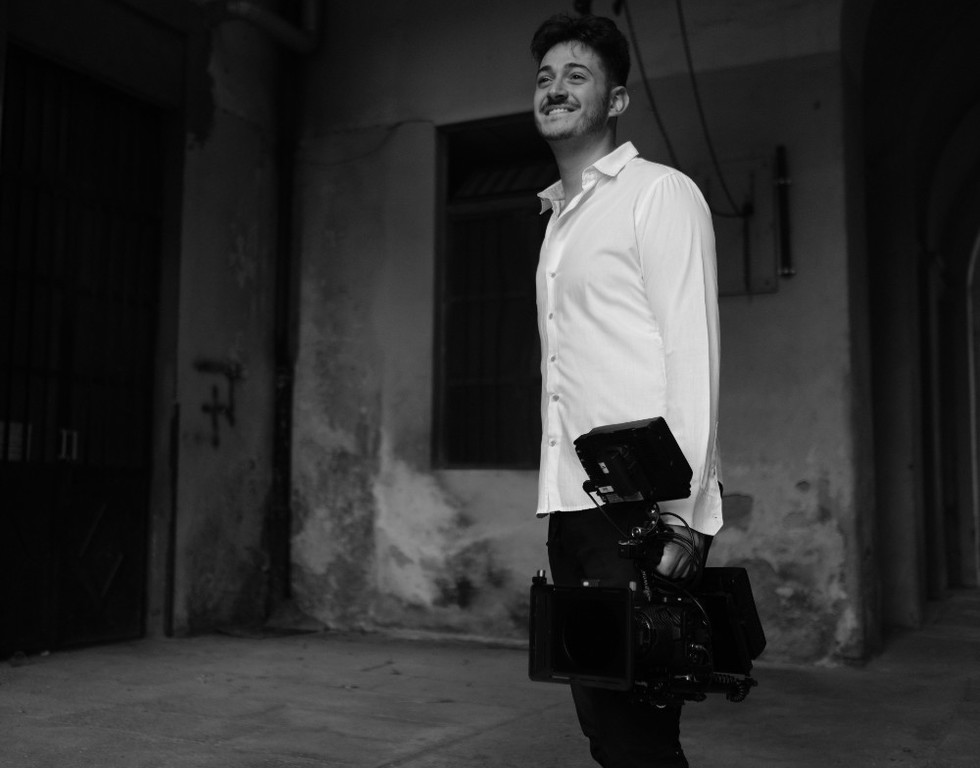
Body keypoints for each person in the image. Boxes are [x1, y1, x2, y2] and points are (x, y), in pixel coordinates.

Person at [530, 13, 723, 768]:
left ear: (615, 101)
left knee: (637, 734)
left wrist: (687, 517)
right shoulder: (558, 220)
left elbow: (692, 355)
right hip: (574, 506)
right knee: (605, 728)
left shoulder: (659, 194)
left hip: (642, 509)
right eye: (545, 77)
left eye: (576, 75)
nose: (555, 88)